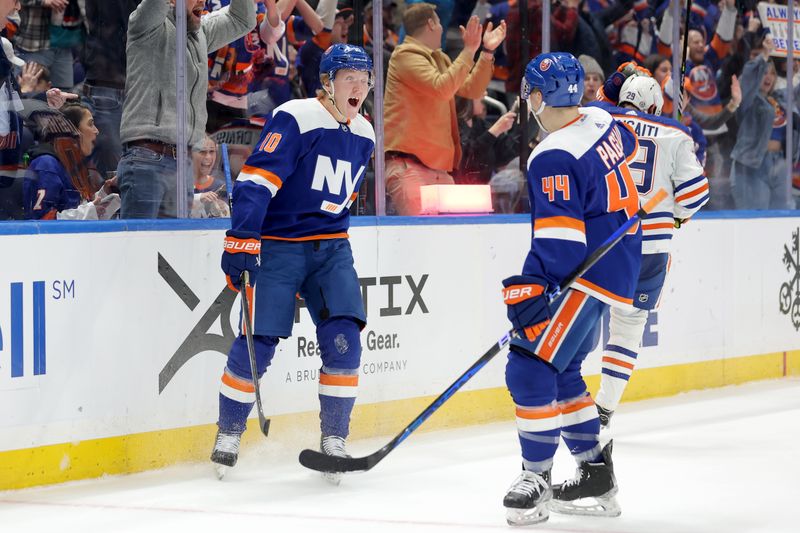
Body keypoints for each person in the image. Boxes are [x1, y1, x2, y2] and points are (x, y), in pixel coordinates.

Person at [211, 44, 376, 484]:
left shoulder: (366, 133)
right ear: (327, 82)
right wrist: (243, 237)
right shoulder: (297, 116)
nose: (359, 87)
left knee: (344, 337)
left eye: (364, 79)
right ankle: (228, 432)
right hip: (281, 243)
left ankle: (334, 438)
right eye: (349, 79)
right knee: (259, 341)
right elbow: (255, 181)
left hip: (332, 246)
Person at [500, 52, 641, 526]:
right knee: (562, 372)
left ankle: (535, 479)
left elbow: (561, 242)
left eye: (530, 93)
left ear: (538, 96)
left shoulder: (553, 154)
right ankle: (594, 476)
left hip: (584, 271)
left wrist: (532, 286)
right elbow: (627, 133)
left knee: (529, 364)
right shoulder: (603, 119)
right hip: (615, 265)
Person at [589, 75, 709, 427]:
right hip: (651, 247)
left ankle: (563, 400)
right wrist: (674, 219)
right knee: (627, 329)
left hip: (602, 240)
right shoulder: (675, 133)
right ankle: (603, 410)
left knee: (580, 319)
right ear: (655, 106)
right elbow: (695, 196)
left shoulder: (597, 121)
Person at [117, 0, 255, 219]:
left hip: (183, 164)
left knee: (175, 249)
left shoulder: (201, 31)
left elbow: (242, 19)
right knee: (138, 249)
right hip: (146, 158)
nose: (202, 1)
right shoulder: (145, 24)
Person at [383, 3, 506, 215]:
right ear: (431, 23)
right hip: (409, 167)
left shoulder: (440, 58)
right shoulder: (404, 55)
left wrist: (486, 53)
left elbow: (472, 89)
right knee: (421, 238)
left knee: (450, 239)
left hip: (440, 169)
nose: (442, 27)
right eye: (439, 22)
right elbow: (441, 88)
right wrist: (468, 50)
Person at [731, 36, 796, 210]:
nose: (769, 77)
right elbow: (748, 80)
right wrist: (765, 55)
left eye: (773, 73)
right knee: (755, 220)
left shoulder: (779, 99)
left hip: (780, 164)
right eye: (764, 72)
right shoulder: (748, 101)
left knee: (783, 219)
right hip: (753, 165)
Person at [23, 103, 119, 219]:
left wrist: (105, 193)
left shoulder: (75, 165)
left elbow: (77, 207)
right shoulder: (46, 165)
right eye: (90, 124)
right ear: (72, 131)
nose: (96, 131)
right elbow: (42, 220)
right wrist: (88, 211)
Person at [81, 0, 142, 176]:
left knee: (127, 171)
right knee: (118, 175)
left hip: (127, 86)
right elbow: (134, 27)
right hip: (110, 87)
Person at [190, 135, 229, 218]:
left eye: (211, 151)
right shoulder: (178, 186)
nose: (208, 157)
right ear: (190, 153)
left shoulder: (225, 187)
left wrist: (224, 209)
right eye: (202, 151)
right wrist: (198, 198)